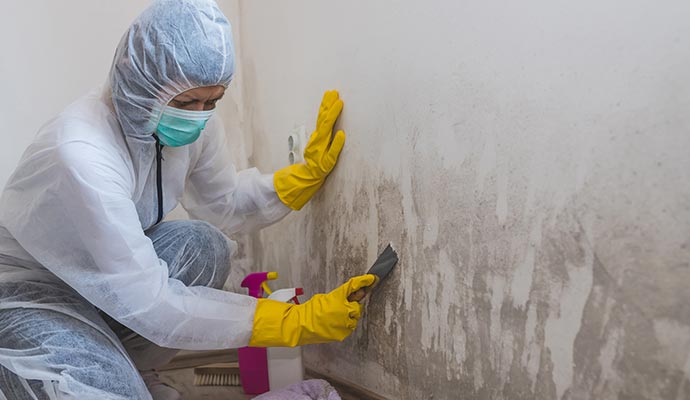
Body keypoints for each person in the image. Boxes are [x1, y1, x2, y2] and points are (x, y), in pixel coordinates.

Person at [0, 0, 375, 399]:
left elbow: (224, 202)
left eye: (211, 101)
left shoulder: (190, 125)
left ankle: (131, 368)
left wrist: (297, 180)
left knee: (204, 246)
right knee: (107, 391)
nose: (198, 115)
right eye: (184, 104)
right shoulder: (81, 152)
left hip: (110, 283)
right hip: (32, 291)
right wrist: (290, 320)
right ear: (137, 82)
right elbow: (150, 302)